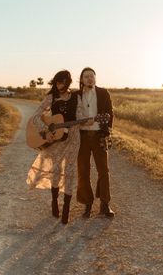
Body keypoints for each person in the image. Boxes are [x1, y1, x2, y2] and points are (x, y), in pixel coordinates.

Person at [26, 70, 83, 224]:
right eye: (58, 82)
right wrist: (46, 130)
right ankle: (54, 201)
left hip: (73, 137)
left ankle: (66, 209)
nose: (60, 85)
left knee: (70, 171)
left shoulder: (76, 97)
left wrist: (86, 121)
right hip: (57, 139)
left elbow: (79, 116)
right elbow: (36, 117)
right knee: (56, 170)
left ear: (68, 83)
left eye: (63, 82)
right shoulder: (51, 98)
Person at [76, 67, 115, 218]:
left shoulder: (103, 93)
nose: (89, 79)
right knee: (83, 171)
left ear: (95, 78)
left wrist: (107, 131)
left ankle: (105, 204)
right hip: (82, 137)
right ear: (81, 80)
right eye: (86, 77)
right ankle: (87, 204)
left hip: (99, 135)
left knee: (103, 171)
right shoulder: (76, 95)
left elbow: (110, 114)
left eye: (92, 76)